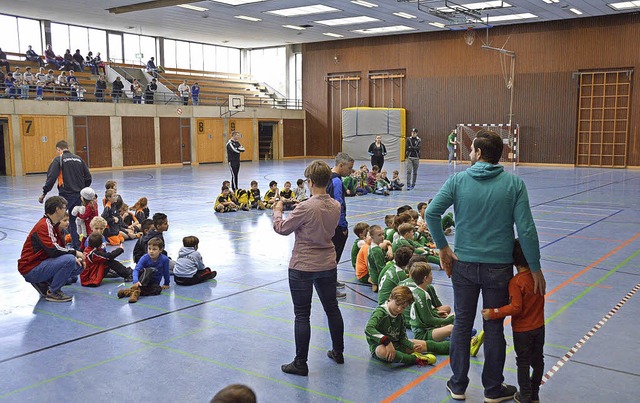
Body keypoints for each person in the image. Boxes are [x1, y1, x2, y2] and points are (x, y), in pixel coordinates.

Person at [425, 129, 545, 402]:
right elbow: (526, 229)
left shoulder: (457, 180)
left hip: (463, 266)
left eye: (471, 151)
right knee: (493, 327)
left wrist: (444, 248)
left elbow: (432, 212)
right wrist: (534, 267)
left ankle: (457, 385)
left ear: (478, 153)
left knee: (462, 324)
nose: (469, 154)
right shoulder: (514, 185)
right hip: (498, 269)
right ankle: (492, 389)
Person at [272, 160, 344, 376]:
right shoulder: (335, 205)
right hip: (327, 263)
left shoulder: (305, 207)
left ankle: (300, 362)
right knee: (332, 308)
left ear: (310, 182)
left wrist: (277, 211)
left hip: (303, 265)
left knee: (302, 314)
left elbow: (282, 228)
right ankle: (338, 351)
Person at [481, 240, 545, 403]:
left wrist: (494, 312)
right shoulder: (538, 277)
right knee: (538, 360)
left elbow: (516, 308)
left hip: (523, 331)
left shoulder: (516, 282)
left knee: (523, 363)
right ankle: (534, 392)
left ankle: (525, 395)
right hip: (539, 327)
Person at [17, 196, 85, 302]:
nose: (65, 210)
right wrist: (75, 253)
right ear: (57, 209)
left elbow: (57, 248)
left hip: (40, 263)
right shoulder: (44, 225)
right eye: (64, 208)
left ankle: (43, 283)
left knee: (78, 266)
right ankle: (54, 292)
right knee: (70, 260)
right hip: (30, 268)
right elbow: (53, 250)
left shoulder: (53, 225)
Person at [365, 285, 436, 367]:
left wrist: (412, 346)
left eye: (403, 307)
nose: (399, 309)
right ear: (390, 298)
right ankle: (415, 359)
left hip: (397, 344)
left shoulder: (400, 316)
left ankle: (448, 346)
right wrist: (387, 342)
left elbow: (402, 338)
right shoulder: (380, 312)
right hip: (380, 345)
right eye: (397, 304)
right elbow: (368, 329)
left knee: (421, 345)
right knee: (381, 351)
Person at [39, 140, 92, 249]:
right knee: (75, 221)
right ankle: (77, 246)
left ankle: (54, 244)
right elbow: (88, 178)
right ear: (67, 147)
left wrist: (44, 193)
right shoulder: (79, 159)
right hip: (79, 196)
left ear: (59, 149)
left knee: (56, 219)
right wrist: (82, 190)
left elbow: (51, 178)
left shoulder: (59, 159)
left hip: (66, 195)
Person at [326, 152, 354, 299]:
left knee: (331, 255)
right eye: (349, 168)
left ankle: (331, 280)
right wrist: (343, 226)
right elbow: (339, 205)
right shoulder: (336, 181)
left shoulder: (326, 176)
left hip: (326, 224)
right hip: (336, 225)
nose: (350, 172)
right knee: (333, 256)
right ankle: (329, 288)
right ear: (341, 165)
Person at [118, 238, 170, 303]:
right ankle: (135, 293)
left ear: (161, 250)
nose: (151, 251)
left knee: (158, 290)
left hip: (153, 283)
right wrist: (135, 281)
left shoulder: (165, 259)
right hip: (142, 280)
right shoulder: (145, 258)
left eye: (154, 249)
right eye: (149, 248)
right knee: (150, 270)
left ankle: (128, 292)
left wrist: (166, 283)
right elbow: (136, 270)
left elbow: (166, 272)